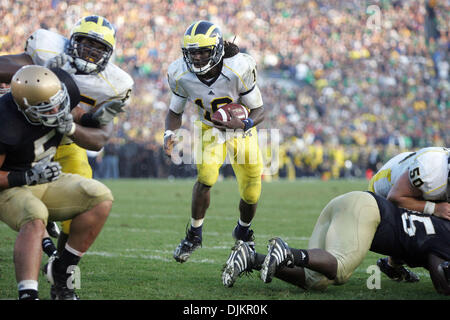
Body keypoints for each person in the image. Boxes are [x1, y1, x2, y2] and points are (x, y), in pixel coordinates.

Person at [0, 15, 133, 258]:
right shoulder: (47, 50)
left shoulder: (115, 84)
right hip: (24, 137)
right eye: (86, 42)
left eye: (99, 47)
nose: (91, 51)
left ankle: (60, 269)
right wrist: (42, 72)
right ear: (72, 41)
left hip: (67, 142)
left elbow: (101, 137)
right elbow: (7, 68)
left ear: (109, 53)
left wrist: (71, 126)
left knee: (85, 202)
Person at [0, 65, 114, 300]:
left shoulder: (62, 87)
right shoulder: (5, 120)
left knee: (99, 197)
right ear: (25, 107)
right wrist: (26, 177)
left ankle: (61, 273)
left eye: (59, 101)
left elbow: (93, 127)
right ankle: (28, 294)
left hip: (45, 180)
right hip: (11, 186)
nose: (56, 109)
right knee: (35, 214)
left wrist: (96, 118)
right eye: (45, 107)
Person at [164, 20, 265, 263]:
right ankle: (194, 234)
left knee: (251, 189)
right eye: (192, 53)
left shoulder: (238, 68)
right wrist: (169, 134)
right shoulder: (180, 74)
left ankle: (243, 230)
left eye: (203, 51)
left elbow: (259, 110)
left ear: (217, 50)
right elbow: (174, 112)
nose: (197, 58)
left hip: (241, 130)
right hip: (209, 128)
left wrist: (244, 124)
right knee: (206, 178)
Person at [221, 191, 450, 295]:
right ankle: (287, 252)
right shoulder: (445, 235)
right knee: (340, 270)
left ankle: (250, 258)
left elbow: (409, 246)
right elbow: (440, 276)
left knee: (316, 281)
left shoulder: (440, 229)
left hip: (354, 204)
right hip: (367, 211)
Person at [368, 147, 449, 282]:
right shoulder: (431, 171)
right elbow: (395, 198)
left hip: (415, 187)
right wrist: (434, 208)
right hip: (386, 190)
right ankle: (394, 263)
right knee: (425, 231)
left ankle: (391, 264)